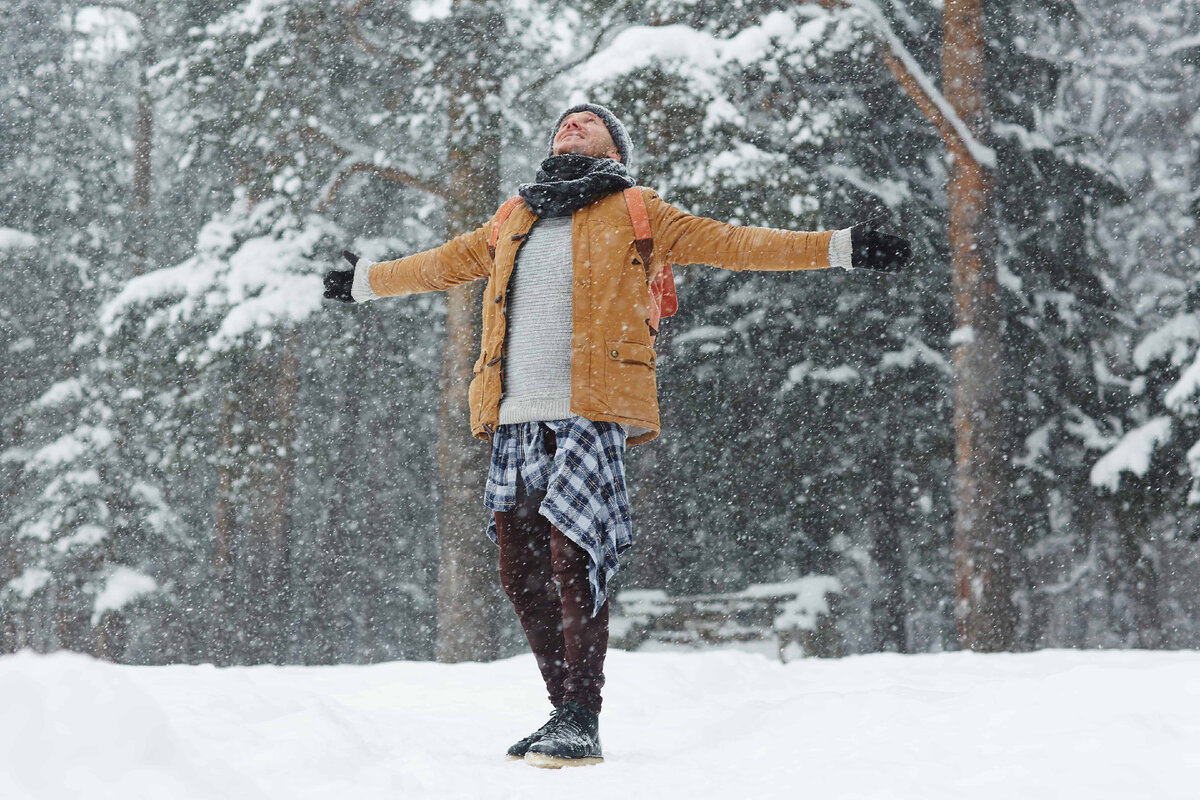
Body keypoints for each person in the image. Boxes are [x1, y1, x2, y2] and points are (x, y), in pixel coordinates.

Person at [323, 103, 911, 768]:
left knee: (574, 561)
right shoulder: (514, 216)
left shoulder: (637, 210)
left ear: (615, 149)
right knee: (519, 573)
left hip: (588, 408)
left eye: (589, 121)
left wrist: (841, 247)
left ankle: (583, 714)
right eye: (565, 121)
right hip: (514, 415)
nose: (572, 124)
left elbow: (737, 243)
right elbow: (443, 263)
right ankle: (562, 711)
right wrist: (363, 282)